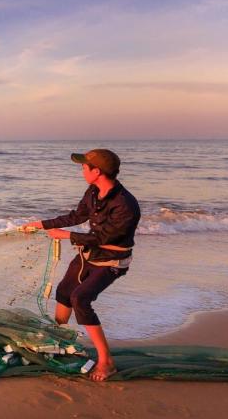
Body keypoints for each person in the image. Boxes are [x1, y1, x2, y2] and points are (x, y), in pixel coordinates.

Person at [20, 149, 139, 382]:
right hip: (89, 254)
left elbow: (103, 238)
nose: (81, 170)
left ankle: (107, 361)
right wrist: (42, 224)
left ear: (97, 171)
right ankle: (58, 340)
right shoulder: (94, 190)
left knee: (81, 298)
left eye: (84, 167)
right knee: (64, 292)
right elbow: (77, 216)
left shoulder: (125, 205)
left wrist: (65, 236)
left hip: (112, 260)